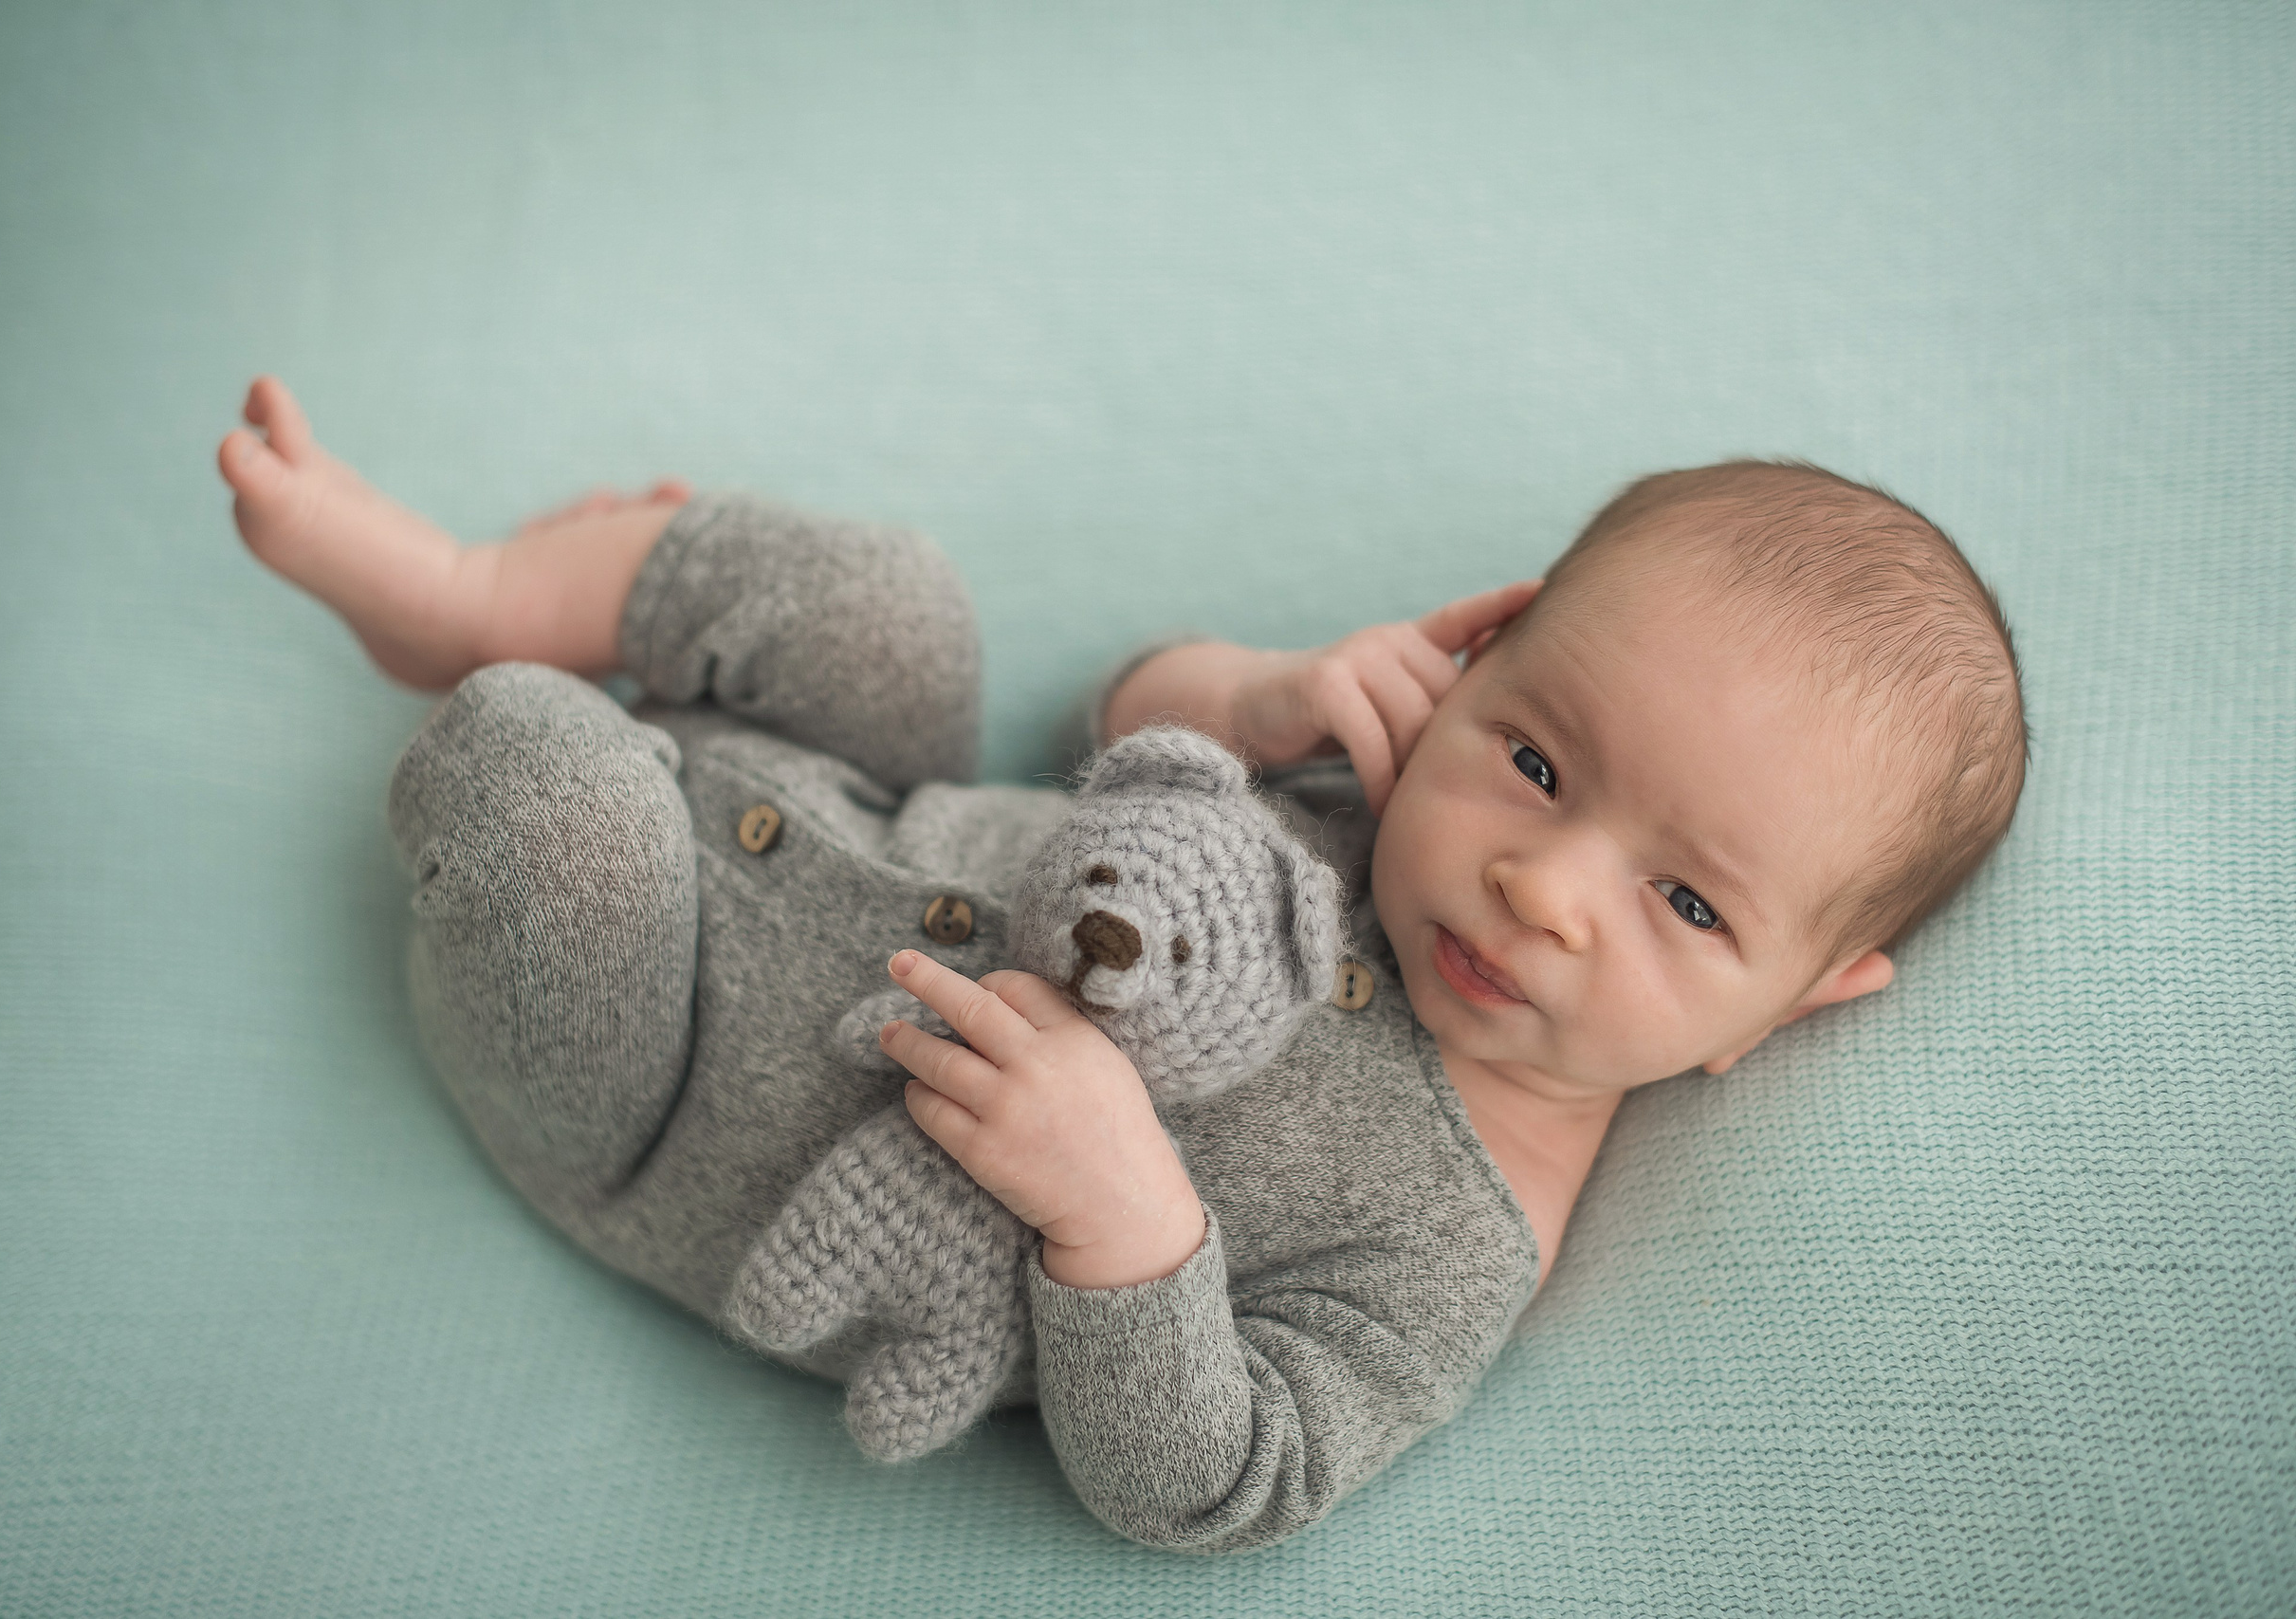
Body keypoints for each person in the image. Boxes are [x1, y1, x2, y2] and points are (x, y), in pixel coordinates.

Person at [216, 376, 2027, 1552]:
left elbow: (1223, 1484)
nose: (1541, 886)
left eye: (1688, 907)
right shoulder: (1382, 799)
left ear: (1802, 1001)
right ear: (1480, 659)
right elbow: (1114, 723)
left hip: (654, 1082)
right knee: (890, 599)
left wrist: (1123, 1222)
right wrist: (1253, 692)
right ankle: (458, 590)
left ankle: (529, 670)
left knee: (537, 769)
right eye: (1539, 761)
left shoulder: (1453, 1242)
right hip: (879, 792)